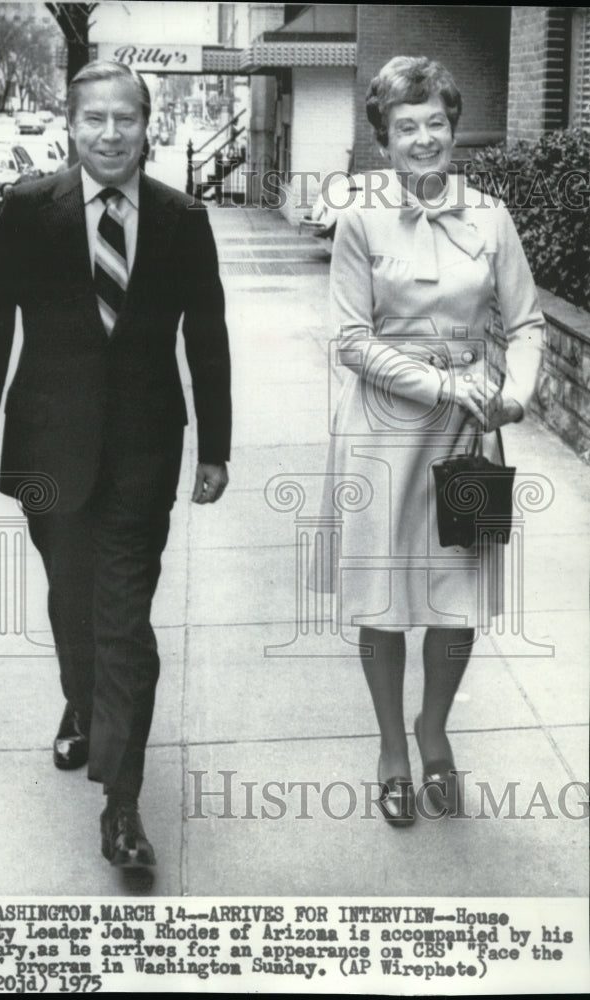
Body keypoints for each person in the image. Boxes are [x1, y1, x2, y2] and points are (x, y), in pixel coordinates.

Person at [0, 61, 231, 870]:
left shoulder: (181, 217)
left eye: (126, 120)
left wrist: (215, 444)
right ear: (70, 127)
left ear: (149, 126)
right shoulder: (31, 208)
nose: (111, 134)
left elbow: (204, 336)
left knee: (126, 627)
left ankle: (122, 806)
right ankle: (81, 706)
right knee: (75, 613)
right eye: (94, 120)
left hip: (142, 456)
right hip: (46, 451)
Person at [322, 56, 543, 826]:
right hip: (383, 433)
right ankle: (390, 747)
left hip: (472, 438)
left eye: (436, 124)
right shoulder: (357, 219)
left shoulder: (491, 216)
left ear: (454, 129)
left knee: (458, 600)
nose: (423, 139)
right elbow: (351, 340)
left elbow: (525, 323)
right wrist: (446, 386)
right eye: (405, 126)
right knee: (382, 600)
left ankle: (432, 730)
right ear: (383, 137)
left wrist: (512, 394)